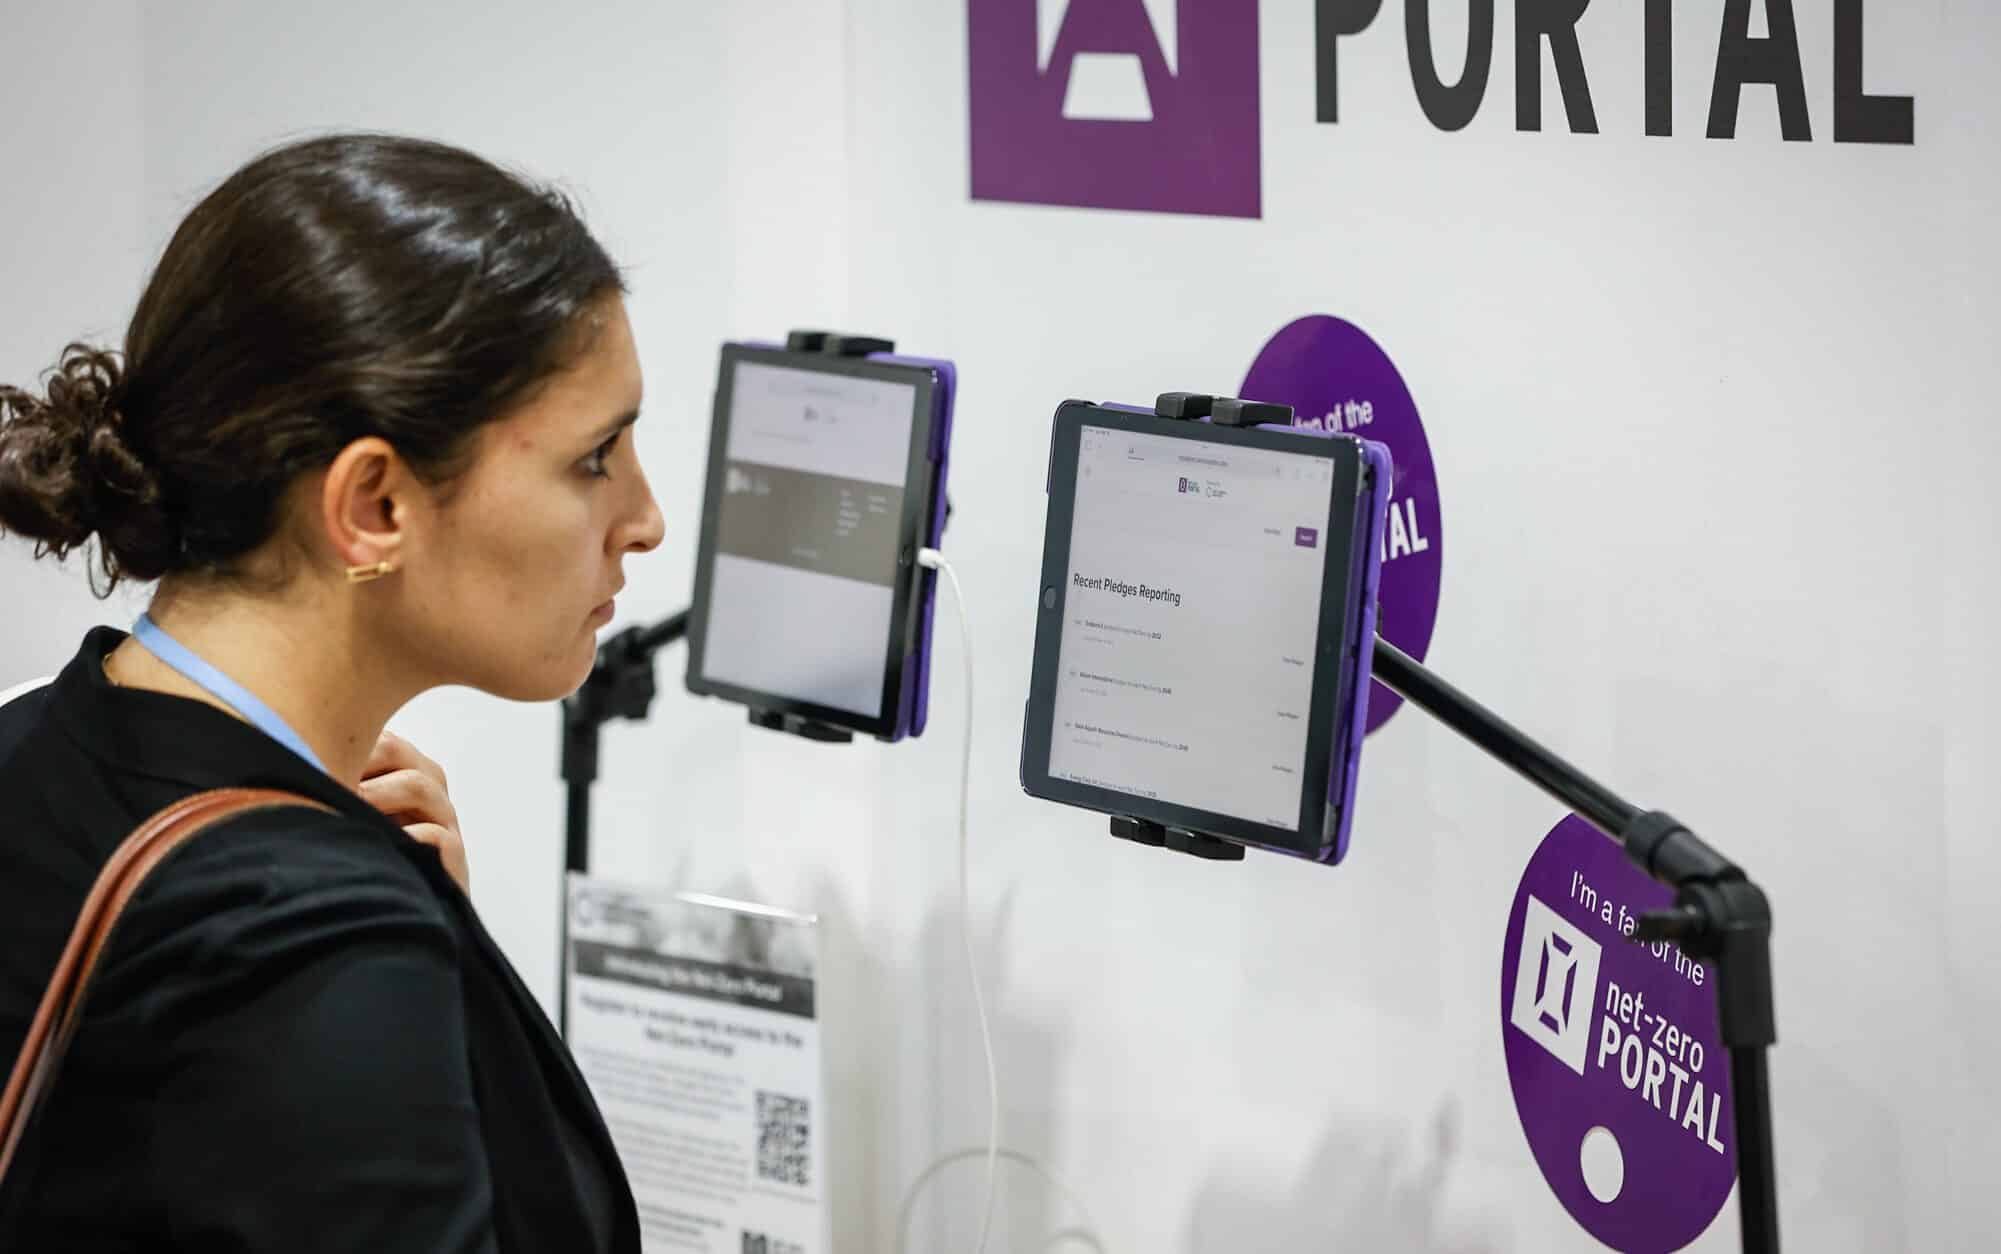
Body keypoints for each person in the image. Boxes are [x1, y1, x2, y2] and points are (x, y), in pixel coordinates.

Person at [0, 132, 665, 1250]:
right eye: (595, 459)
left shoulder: (34, 742)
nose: (644, 519)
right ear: (373, 507)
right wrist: (384, 959)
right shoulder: (314, 949)